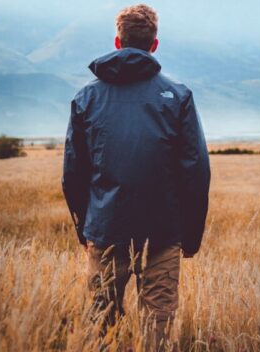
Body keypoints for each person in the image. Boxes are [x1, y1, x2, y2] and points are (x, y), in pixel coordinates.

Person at [62, 3, 210, 350]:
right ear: (154, 45)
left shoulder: (86, 97)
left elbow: (73, 174)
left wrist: (84, 228)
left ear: (117, 42)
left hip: (105, 229)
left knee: (103, 326)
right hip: (163, 233)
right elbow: (196, 172)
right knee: (157, 326)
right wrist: (190, 235)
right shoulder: (178, 96)